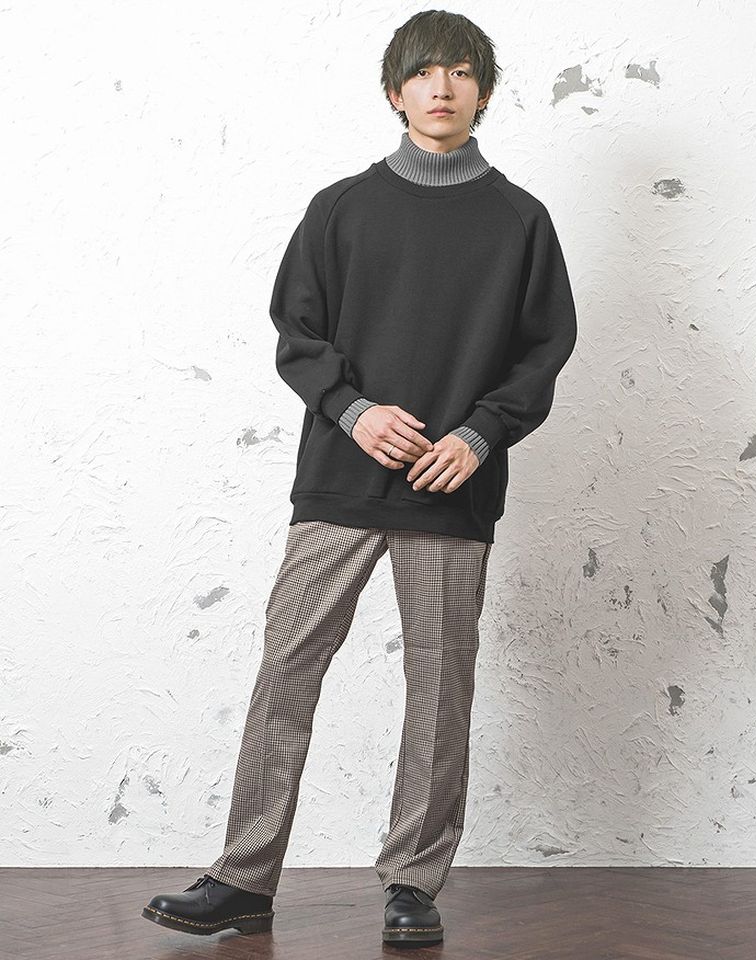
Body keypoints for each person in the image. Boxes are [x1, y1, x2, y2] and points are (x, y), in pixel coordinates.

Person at [141, 9, 577, 948]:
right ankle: (243, 878)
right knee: (287, 668)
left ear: (485, 92)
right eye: (423, 72)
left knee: (439, 687)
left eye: (461, 72)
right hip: (339, 478)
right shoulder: (341, 208)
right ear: (394, 91)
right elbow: (297, 333)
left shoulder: (520, 221)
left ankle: (413, 883)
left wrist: (480, 435)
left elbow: (544, 350)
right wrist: (352, 411)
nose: (442, 87)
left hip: (452, 487)